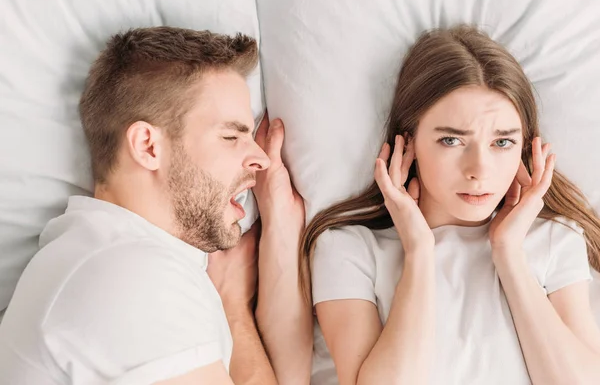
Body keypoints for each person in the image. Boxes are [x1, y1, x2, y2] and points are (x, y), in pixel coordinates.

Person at [0, 26, 312, 385]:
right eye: (231, 136)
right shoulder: (131, 277)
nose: (260, 158)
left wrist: (234, 302)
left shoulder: (106, 257)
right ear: (148, 146)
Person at [302, 25, 600, 384]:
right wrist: (419, 251)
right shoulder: (348, 249)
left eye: (502, 143)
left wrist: (508, 253)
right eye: (451, 140)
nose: (479, 170)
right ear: (408, 143)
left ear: (524, 148)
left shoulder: (556, 240)